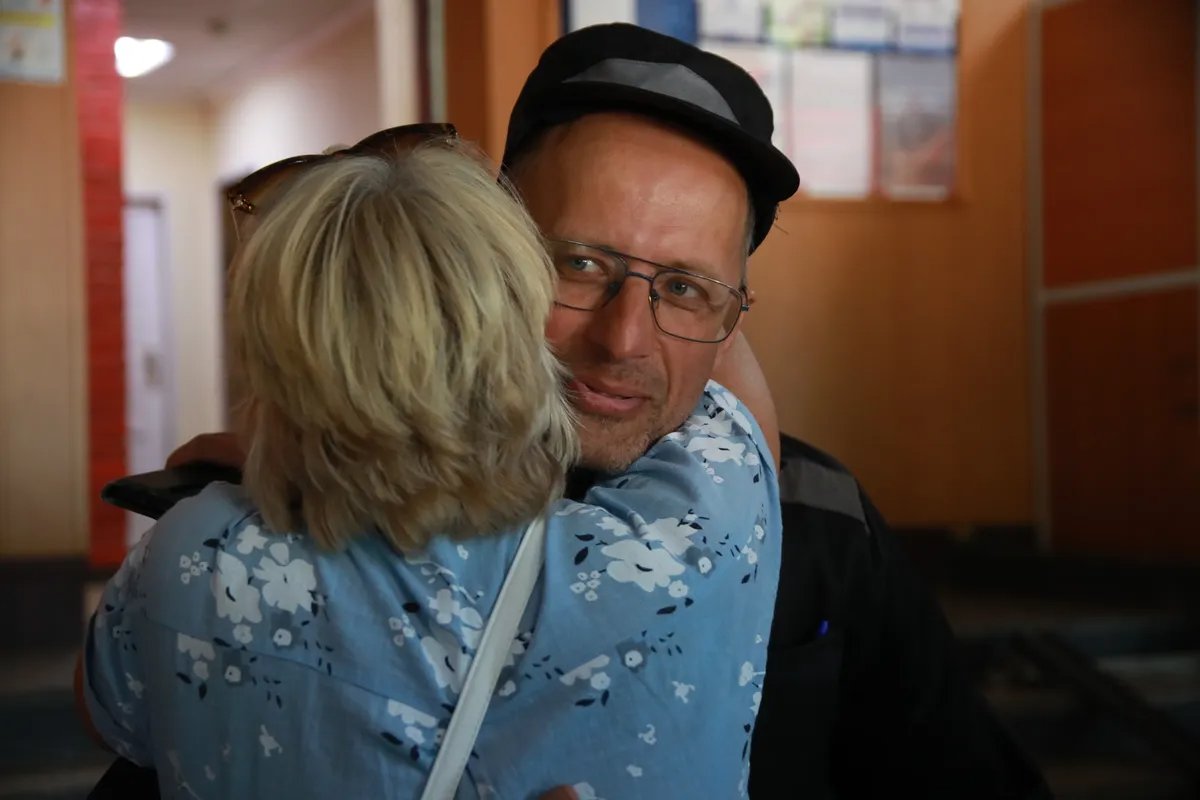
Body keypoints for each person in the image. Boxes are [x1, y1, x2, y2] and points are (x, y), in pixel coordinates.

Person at [144, 22, 1053, 800]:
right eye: (578, 264)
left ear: (735, 313)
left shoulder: (819, 517)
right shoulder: (276, 510)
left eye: (687, 289)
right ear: (491, 259)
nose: (624, 340)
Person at [78, 134, 782, 798]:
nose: (622, 333)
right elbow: (728, 381)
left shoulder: (191, 554)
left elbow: (107, 711)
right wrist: (690, 270)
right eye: (578, 265)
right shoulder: (675, 551)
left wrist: (295, 450)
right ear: (515, 331)